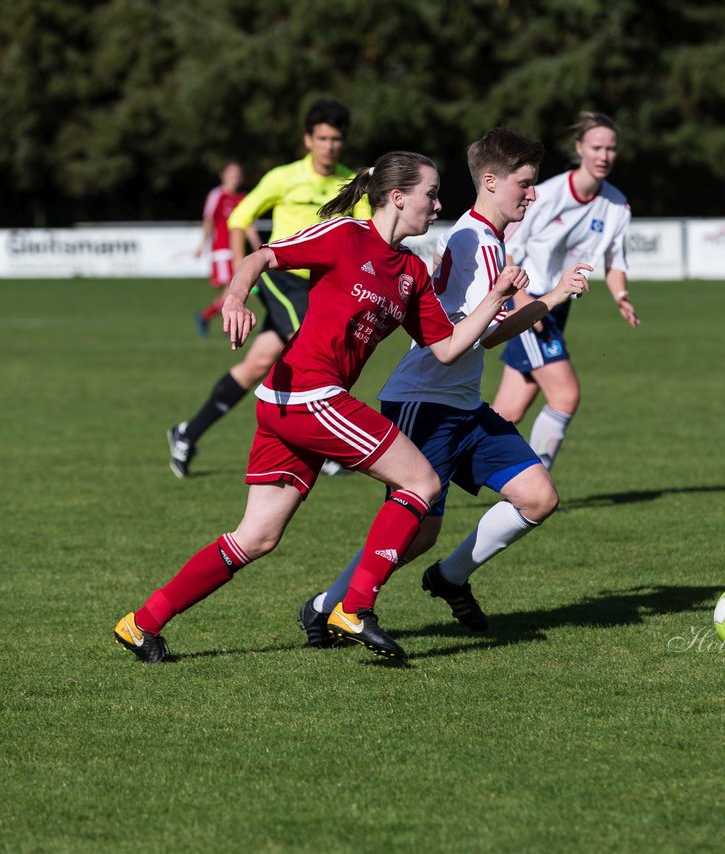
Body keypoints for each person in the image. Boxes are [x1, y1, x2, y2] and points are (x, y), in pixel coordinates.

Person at [114, 151, 524, 664]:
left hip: (292, 404)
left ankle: (142, 622)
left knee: (257, 536)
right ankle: (354, 608)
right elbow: (260, 257)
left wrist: (498, 297)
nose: (439, 205)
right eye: (431, 194)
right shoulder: (344, 237)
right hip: (308, 395)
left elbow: (445, 348)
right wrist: (237, 299)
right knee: (420, 483)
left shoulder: (413, 272)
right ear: (398, 198)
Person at [298, 129, 592, 646]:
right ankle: (328, 606)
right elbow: (471, 336)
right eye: (525, 183)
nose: (533, 193)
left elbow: (486, 333)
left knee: (538, 497)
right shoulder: (473, 241)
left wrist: (552, 296)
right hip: (423, 403)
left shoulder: (488, 239)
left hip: (462, 404)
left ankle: (448, 577)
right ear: (492, 181)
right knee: (415, 529)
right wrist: (540, 299)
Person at [167, 99, 369, 478]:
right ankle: (323, 442)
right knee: (313, 343)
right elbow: (241, 219)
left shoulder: (350, 182)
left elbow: (365, 235)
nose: (329, 145)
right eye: (322, 138)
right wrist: (246, 275)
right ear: (308, 139)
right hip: (282, 277)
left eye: (336, 139)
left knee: (258, 364)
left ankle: (186, 433)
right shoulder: (284, 177)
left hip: (323, 288)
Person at [491, 112, 640, 469]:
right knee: (565, 395)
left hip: (557, 308)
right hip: (531, 302)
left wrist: (621, 297)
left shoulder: (617, 205)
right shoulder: (546, 195)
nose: (604, 156)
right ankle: (535, 481)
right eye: (597, 147)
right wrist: (523, 300)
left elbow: (614, 261)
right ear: (579, 149)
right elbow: (506, 249)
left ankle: (440, 461)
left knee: (506, 412)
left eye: (611, 149)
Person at [193, 162, 262, 335]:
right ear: (223, 175)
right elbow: (209, 221)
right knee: (233, 290)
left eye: (238, 174)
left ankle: (216, 320)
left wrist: (259, 248)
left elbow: (250, 228)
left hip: (238, 253)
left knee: (236, 290)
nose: (235, 177)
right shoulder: (217, 195)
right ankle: (214, 320)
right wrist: (202, 244)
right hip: (222, 251)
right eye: (231, 173)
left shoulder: (243, 199)